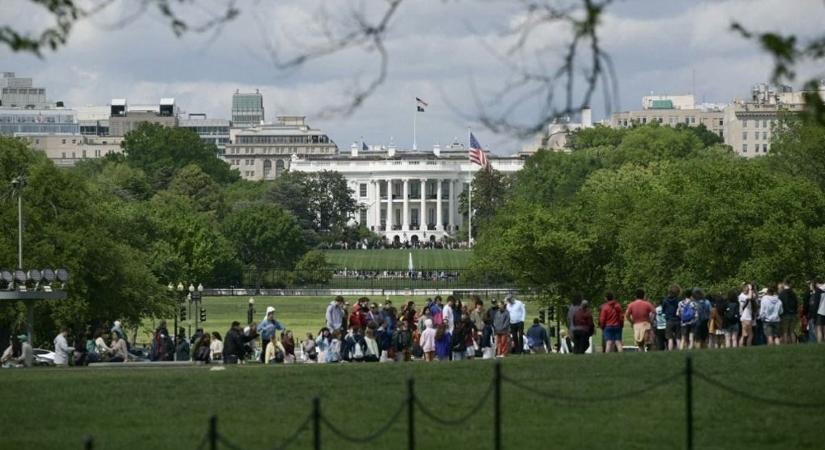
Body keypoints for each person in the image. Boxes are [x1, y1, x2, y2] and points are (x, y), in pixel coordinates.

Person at [778, 279, 798, 344]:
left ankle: (786, 345)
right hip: (793, 314)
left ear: (784, 284)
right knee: (792, 331)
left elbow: (780, 305)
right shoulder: (793, 293)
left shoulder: (782, 294)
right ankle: (794, 345)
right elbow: (796, 304)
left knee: (785, 331)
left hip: (785, 314)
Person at [662, 285, 681, 350]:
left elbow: (663, 311)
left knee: (670, 339)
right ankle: (680, 352)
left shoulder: (665, 300)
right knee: (678, 338)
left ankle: (670, 352)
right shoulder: (679, 300)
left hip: (669, 320)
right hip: (678, 320)